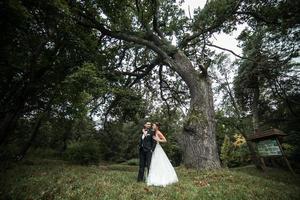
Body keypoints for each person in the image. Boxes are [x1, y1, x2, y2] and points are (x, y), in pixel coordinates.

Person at [146, 122, 178, 187]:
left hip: (157, 149)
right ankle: (153, 177)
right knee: (153, 163)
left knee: (159, 162)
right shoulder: (152, 132)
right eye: (153, 125)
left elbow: (165, 140)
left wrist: (158, 140)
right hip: (153, 149)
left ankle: (161, 178)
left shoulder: (158, 132)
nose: (152, 126)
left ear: (157, 127)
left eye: (154, 125)